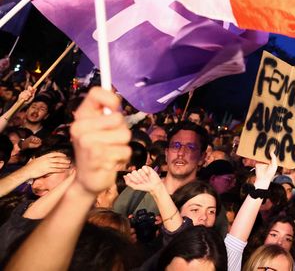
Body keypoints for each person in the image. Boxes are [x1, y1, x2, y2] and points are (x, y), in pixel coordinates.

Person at [5, 87, 132, 270]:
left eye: (47, 174)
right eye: (35, 175)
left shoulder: (87, 230)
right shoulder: (18, 205)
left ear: (72, 171)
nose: (37, 183)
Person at [114, 121, 208, 218]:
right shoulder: (140, 188)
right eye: (176, 146)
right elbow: (110, 225)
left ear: (202, 157)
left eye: (190, 147)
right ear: (167, 153)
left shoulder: (207, 202)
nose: (181, 153)